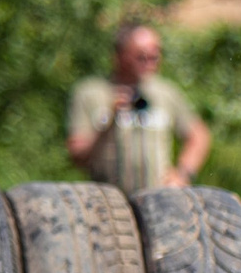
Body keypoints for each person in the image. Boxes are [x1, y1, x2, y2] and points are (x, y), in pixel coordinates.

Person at [67, 23, 209, 196]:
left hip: (159, 200)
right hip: (108, 202)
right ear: (119, 56)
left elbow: (199, 136)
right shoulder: (91, 93)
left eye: (155, 56)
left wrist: (182, 174)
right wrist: (110, 120)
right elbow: (78, 156)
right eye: (142, 56)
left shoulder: (166, 93)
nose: (150, 62)